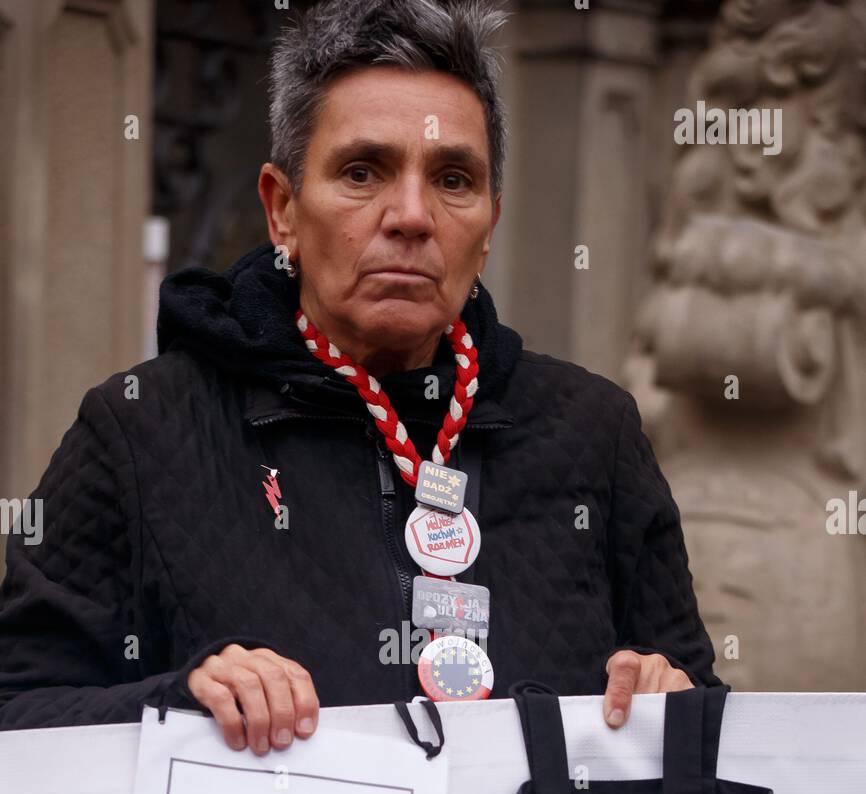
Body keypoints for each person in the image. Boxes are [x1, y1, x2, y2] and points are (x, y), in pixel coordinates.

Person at [0, 0, 720, 752]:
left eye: (452, 179)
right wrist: (183, 702)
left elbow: (701, 706)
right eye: (362, 171)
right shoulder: (142, 433)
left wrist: (670, 698)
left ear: (489, 226)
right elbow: (19, 709)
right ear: (282, 210)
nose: (411, 215)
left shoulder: (591, 433)